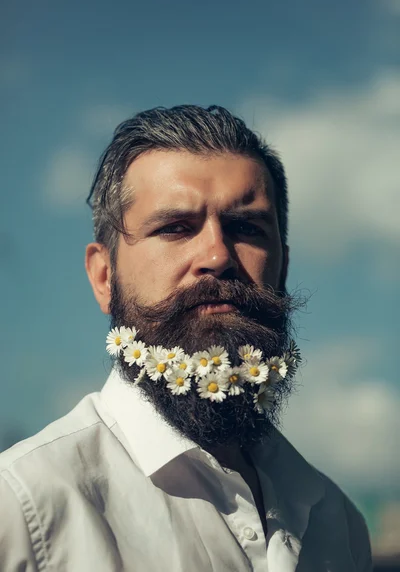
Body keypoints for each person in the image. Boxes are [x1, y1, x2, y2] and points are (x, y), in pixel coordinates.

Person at [0, 105, 372, 571]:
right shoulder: (21, 508)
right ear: (103, 276)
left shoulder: (337, 521)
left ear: (284, 266)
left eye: (246, 228)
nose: (217, 255)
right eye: (175, 227)